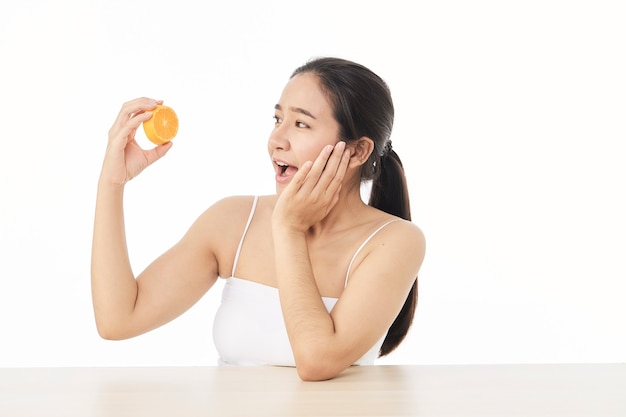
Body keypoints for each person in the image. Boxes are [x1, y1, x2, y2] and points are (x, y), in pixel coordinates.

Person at [91, 57, 426, 381]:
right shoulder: (233, 220)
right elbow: (118, 320)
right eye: (277, 119)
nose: (276, 140)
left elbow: (315, 362)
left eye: (301, 123)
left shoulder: (395, 242)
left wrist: (289, 228)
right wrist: (112, 182)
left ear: (356, 151)